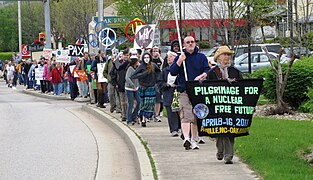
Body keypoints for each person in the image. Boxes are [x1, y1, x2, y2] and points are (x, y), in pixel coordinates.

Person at [170, 36, 210, 150]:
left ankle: (194, 139)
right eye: (188, 42)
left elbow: (207, 70)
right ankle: (186, 138)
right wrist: (179, 61)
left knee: (196, 114)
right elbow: (172, 72)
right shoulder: (180, 56)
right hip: (184, 90)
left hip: (197, 89)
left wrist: (202, 76)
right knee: (186, 114)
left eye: (192, 42)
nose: (190, 44)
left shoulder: (201, 57)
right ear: (184, 44)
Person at [207, 46, 243, 164]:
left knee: (230, 130)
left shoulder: (235, 72)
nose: (227, 57)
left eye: (229, 55)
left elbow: (243, 88)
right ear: (218, 57)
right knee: (219, 130)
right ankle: (220, 150)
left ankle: (228, 155)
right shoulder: (212, 73)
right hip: (217, 106)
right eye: (224, 54)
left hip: (232, 105)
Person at [132, 51, 161, 127]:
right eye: (145, 57)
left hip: (151, 87)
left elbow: (159, 73)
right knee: (142, 103)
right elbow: (134, 75)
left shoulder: (153, 65)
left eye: (148, 57)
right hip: (142, 87)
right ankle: (143, 118)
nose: (146, 59)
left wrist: (156, 80)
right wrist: (143, 74)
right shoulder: (141, 66)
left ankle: (146, 117)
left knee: (149, 103)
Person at [159, 51, 181, 136]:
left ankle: (181, 127)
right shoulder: (165, 71)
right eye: (168, 57)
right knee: (170, 112)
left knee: (179, 111)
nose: (169, 58)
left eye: (171, 57)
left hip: (178, 92)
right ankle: (173, 129)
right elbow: (160, 82)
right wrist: (166, 84)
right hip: (168, 93)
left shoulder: (180, 70)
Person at [125, 55, 140, 125]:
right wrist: (132, 85)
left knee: (139, 102)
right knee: (131, 103)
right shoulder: (130, 69)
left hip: (136, 88)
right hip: (129, 88)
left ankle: (134, 115)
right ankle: (129, 118)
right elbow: (127, 78)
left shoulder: (136, 68)